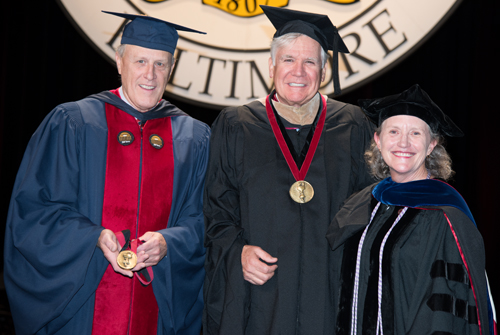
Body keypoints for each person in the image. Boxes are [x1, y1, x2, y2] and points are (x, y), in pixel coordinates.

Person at [4, 11, 210, 335]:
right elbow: (34, 212)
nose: (150, 75)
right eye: (140, 61)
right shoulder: (74, 124)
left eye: (160, 64)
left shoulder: (194, 140)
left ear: (172, 68)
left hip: (155, 316)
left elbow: (208, 222)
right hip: (84, 313)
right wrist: (93, 238)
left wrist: (170, 243)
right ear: (119, 61)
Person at [203, 5, 376, 334]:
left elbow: (370, 205)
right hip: (260, 295)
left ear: (323, 71)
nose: (299, 71)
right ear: (271, 66)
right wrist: (237, 252)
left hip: (328, 290)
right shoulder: (237, 125)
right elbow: (215, 208)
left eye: (310, 61)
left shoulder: (352, 125)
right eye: (288, 60)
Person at [327, 84, 497, 334]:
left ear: (431, 145)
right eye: (393, 131)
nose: (403, 143)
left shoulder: (444, 217)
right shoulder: (362, 204)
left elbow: (445, 309)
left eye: (416, 133)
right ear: (378, 140)